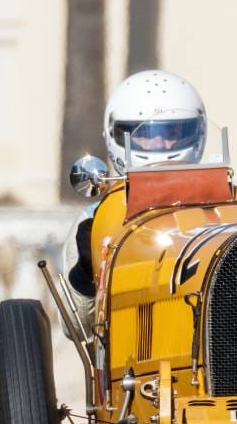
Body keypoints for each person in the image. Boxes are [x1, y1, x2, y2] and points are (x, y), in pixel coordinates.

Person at [60, 70, 208, 337]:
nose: (161, 143)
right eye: (143, 135)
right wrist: (85, 271)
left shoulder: (223, 204)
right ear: (116, 134)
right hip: (128, 352)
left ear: (196, 132)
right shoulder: (94, 219)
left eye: (173, 133)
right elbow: (76, 328)